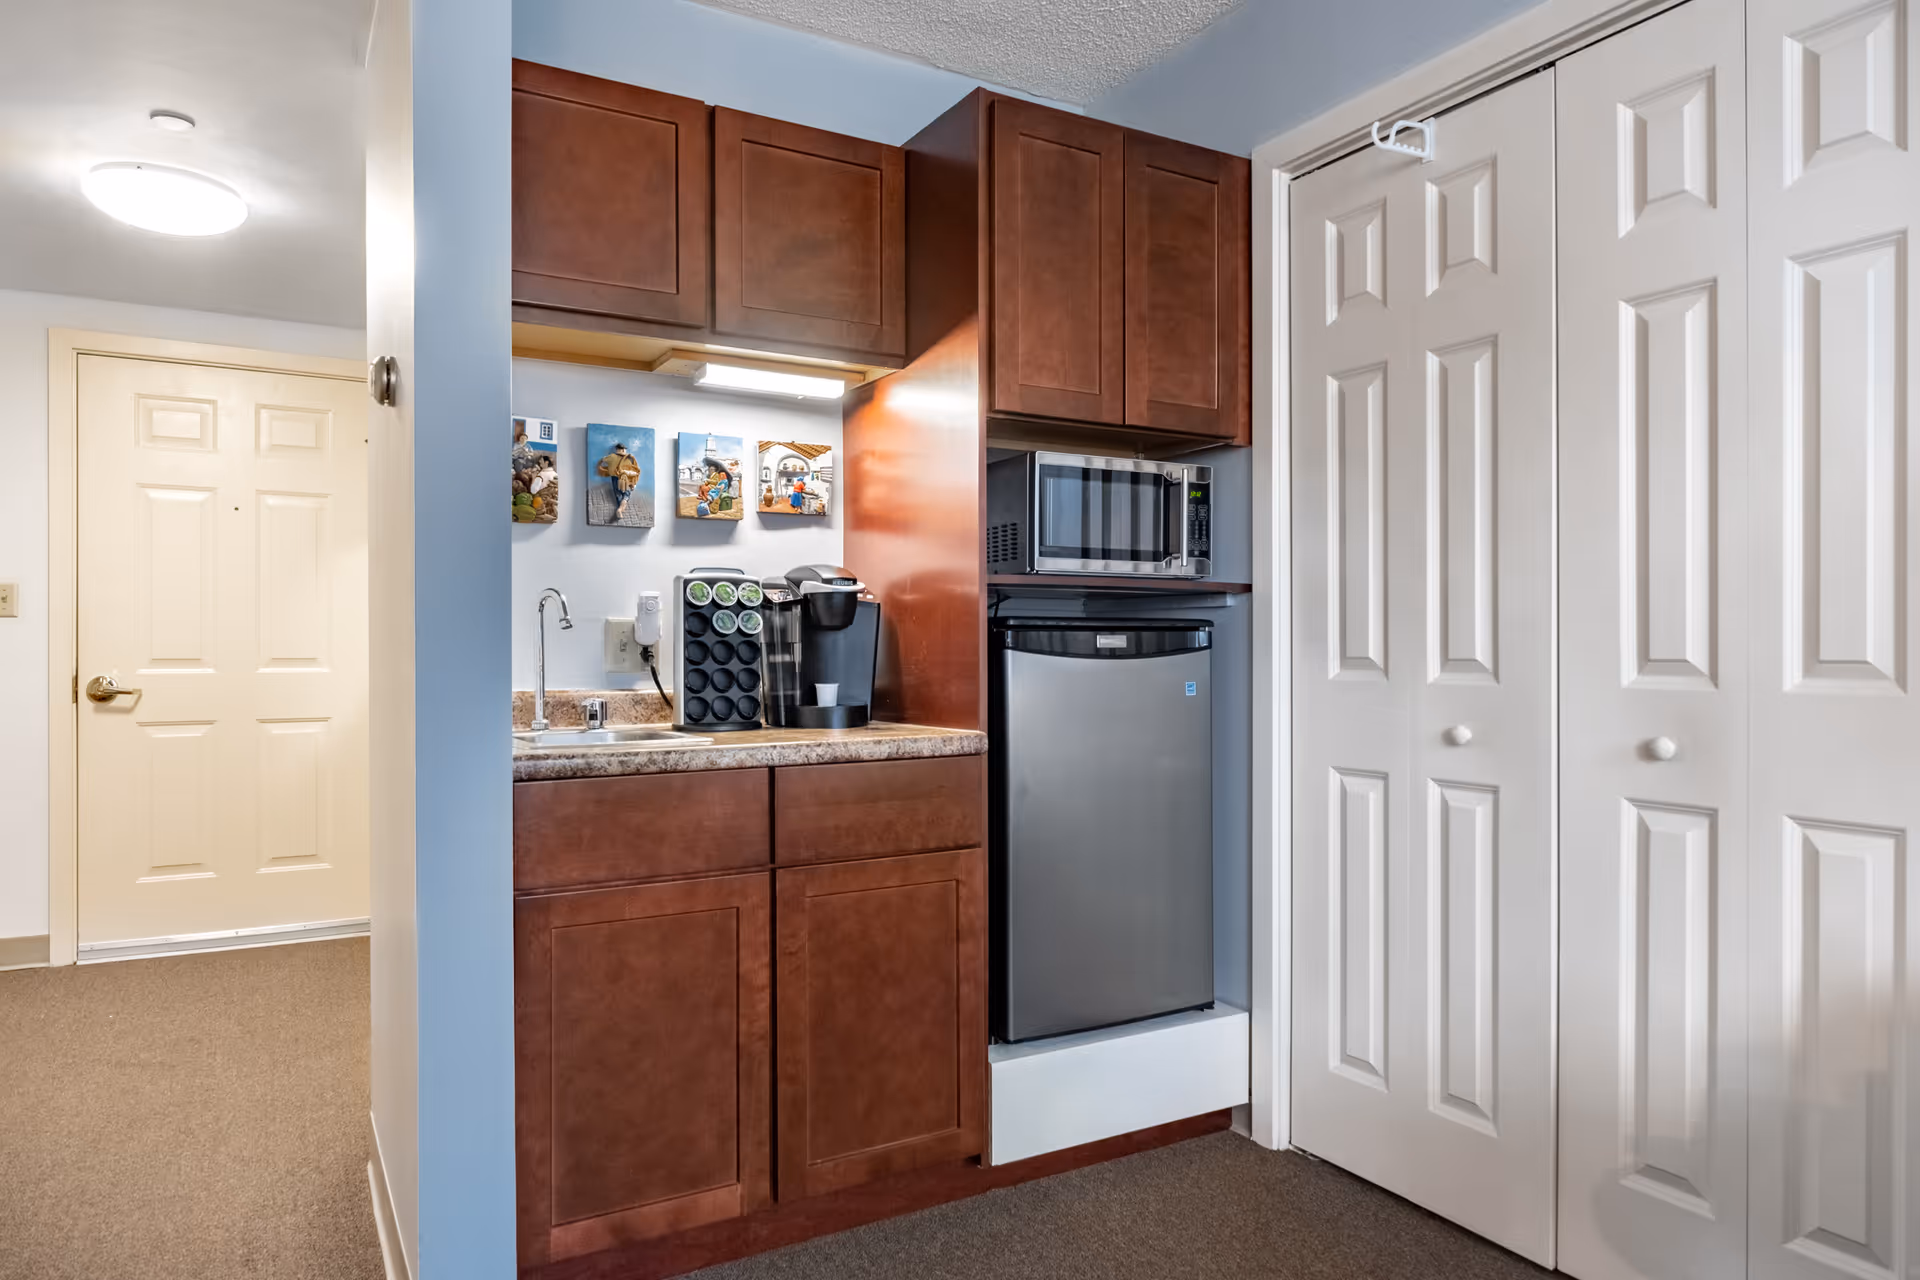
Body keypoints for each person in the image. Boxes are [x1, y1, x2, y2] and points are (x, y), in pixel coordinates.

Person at [596, 442, 642, 520]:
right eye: (623, 449)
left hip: (614, 478)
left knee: (618, 494)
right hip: (625, 478)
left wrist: (604, 467)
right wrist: (633, 483)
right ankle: (620, 510)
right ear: (623, 450)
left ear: (617, 450)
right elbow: (636, 470)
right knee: (626, 495)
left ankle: (619, 510)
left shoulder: (611, 457)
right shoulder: (630, 457)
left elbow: (602, 461)